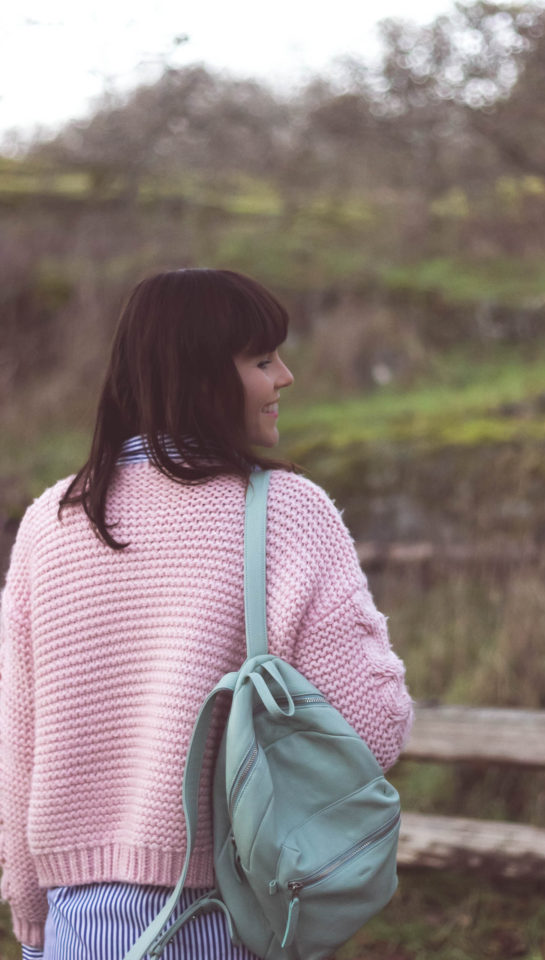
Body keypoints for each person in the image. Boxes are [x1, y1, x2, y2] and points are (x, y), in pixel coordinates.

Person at [0, 268, 413, 960]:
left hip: (77, 925)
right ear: (198, 377)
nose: (285, 377)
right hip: (225, 918)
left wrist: (32, 908)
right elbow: (373, 728)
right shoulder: (285, 513)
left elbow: (17, 741)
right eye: (260, 360)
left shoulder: (52, 522)